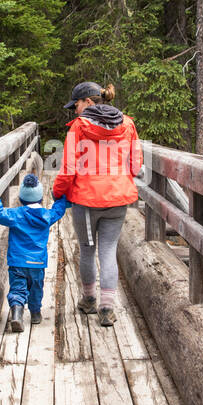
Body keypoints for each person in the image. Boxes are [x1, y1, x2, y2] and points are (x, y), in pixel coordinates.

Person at [52, 81, 142, 327]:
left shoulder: (79, 127)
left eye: (77, 105)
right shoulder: (128, 124)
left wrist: (57, 191)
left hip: (87, 200)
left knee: (88, 250)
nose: (75, 110)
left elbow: (69, 168)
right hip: (117, 198)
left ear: (89, 102)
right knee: (108, 251)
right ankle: (107, 309)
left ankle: (90, 300)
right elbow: (135, 165)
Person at [0, 174, 69, 332]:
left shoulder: (16, 214)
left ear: (22, 199)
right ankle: (36, 313)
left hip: (17, 262)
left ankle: (17, 314)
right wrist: (63, 198)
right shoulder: (46, 215)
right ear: (40, 198)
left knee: (18, 288)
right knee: (36, 288)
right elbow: (58, 211)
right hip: (37, 263)